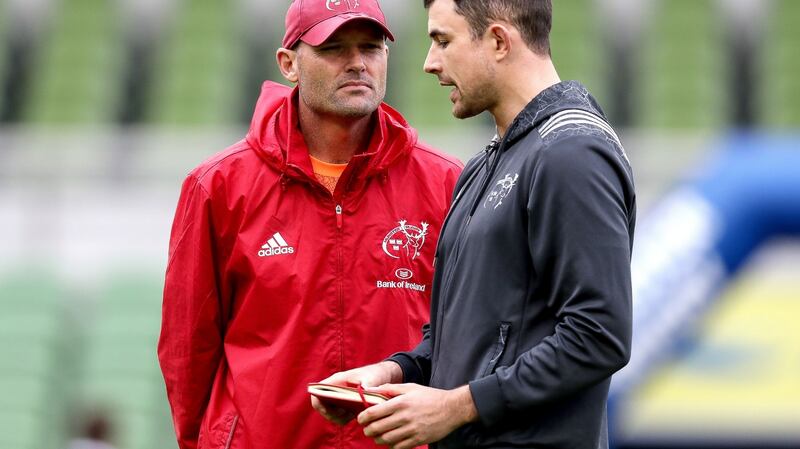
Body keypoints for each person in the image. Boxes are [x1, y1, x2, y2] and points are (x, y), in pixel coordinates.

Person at [313, 1, 636, 448]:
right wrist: (396, 371)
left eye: (443, 41)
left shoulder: (572, 154)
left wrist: (458, 407)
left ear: (499, 41)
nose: (430, 63)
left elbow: (598, 336)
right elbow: (464, 338)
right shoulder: (486, 164)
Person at [157, 0, 463, 448]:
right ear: (289, 64)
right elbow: (187, 351)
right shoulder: (217, 186)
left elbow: (464, 337)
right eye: (333, 48)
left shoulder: (446, 182)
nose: (357, 63)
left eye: (370, 47)